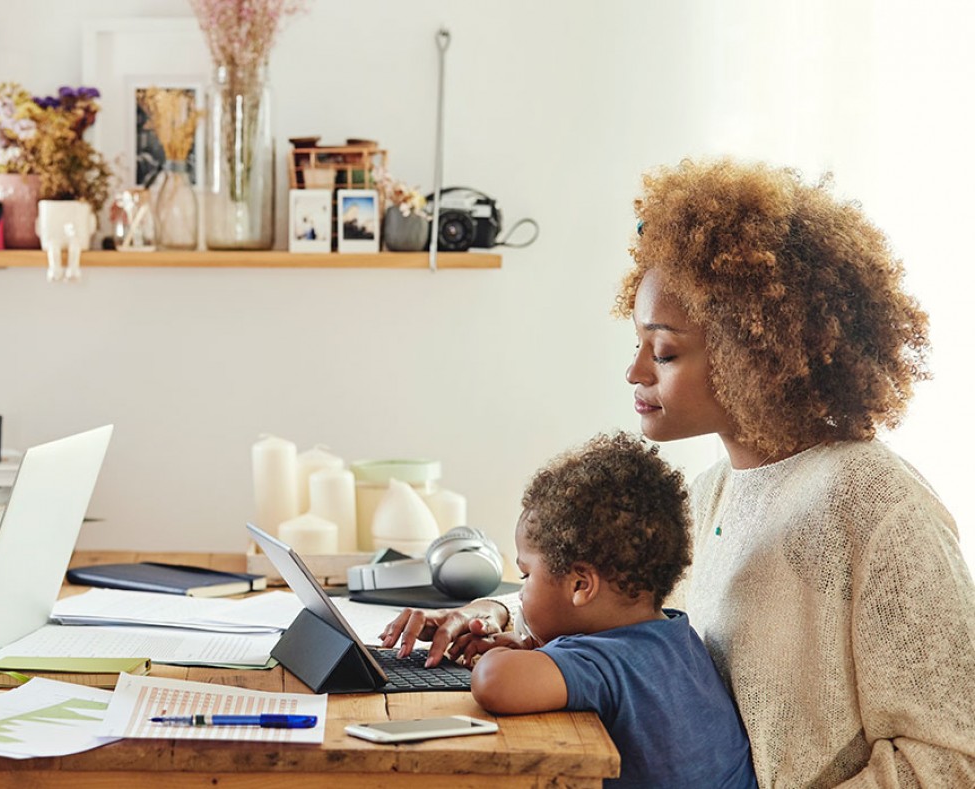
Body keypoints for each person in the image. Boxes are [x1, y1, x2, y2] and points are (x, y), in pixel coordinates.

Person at [381, 158, 975, 786]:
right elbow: (613, 609)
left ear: (759, 353)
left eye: (663, 351)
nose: (635, 372)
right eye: (638, 344)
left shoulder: (874, 503)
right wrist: (491, 617)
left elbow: (952, 758)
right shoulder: (714, 493)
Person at [471, 431, 756, 788]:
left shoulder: (602, 659)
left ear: (580, 585)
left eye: (525, 574)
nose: (522, 589)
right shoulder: (680, 640)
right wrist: (543, 657)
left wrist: (502, 655)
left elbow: (493, 681)